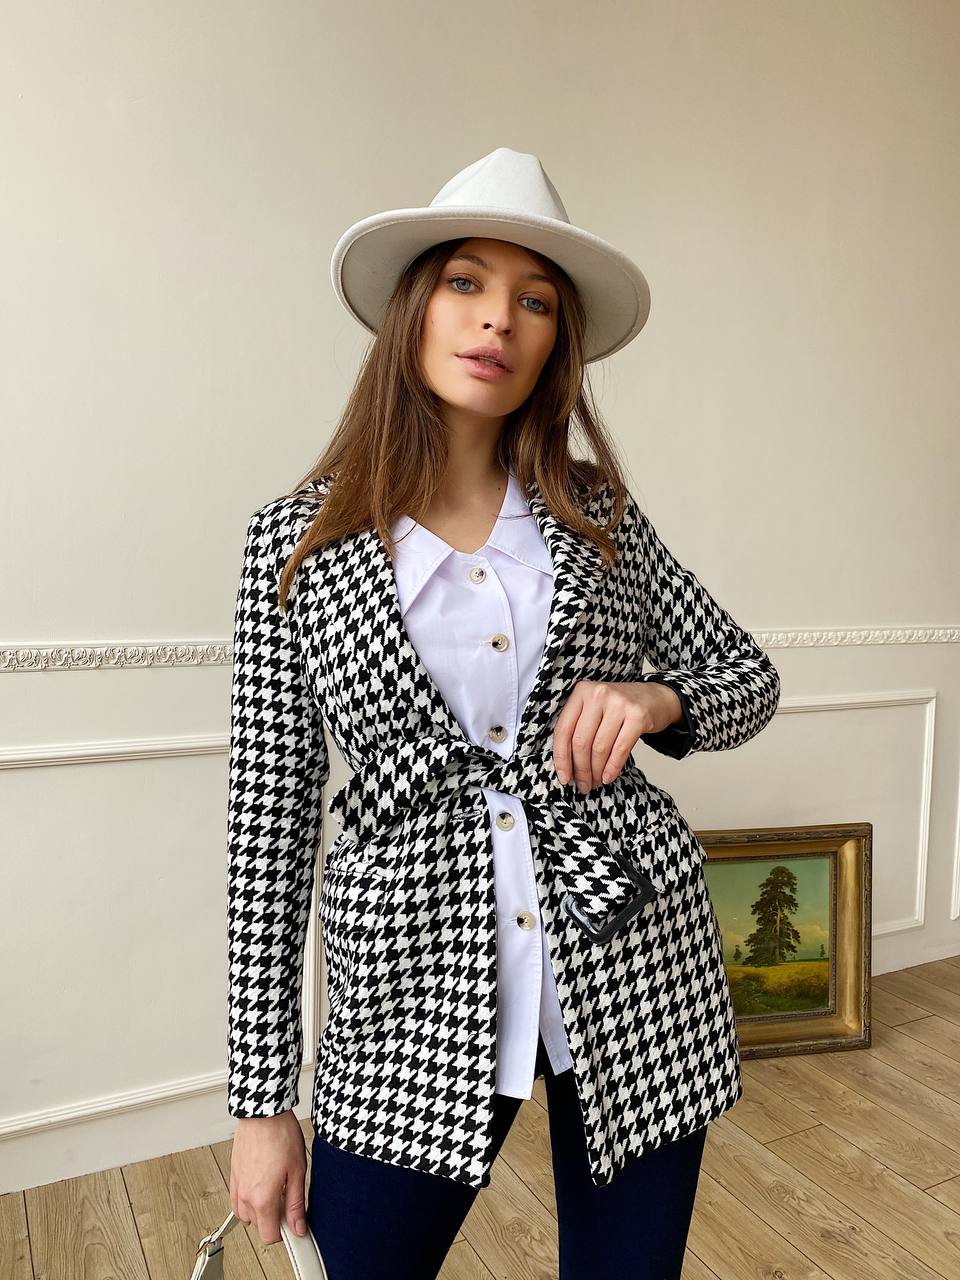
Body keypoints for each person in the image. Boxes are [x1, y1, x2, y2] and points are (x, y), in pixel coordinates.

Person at [225, 148, 780, 1279]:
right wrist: (259, 1102)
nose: (500, 322)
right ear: (412, 309)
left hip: (634, 965)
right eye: (468, 284)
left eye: (535, 302)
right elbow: (267, 833)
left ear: (557, 342)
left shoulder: (598, 516)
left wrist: (655, 694)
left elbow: (749, 676)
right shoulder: (295, 552)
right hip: (407, 994)